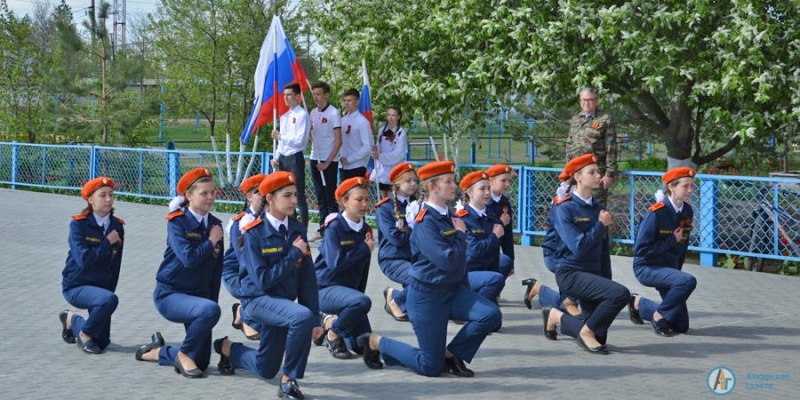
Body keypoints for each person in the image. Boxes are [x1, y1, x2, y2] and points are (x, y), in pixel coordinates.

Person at [358, 161, 503, 377]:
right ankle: (376, 342)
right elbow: (448, 261)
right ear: (433, 187)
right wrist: (461, 236)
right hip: (427, 297)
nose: (454, 186)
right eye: (448, 182)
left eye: (453, 181)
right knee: (430, 367)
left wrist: (466, 291)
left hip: (452, 291)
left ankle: (452, 355)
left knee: (490, 314)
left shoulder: (450, 216)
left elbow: (461, 264)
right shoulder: (425, 223)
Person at [215, 171, 322, 400]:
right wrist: (293, 253)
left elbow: (307, 278)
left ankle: (228, 349)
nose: (295, 200)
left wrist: (315, 316)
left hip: (282, 304)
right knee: (299, 317)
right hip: (256, 300)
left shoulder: (297, 228)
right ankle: (288, 382)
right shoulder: (254, 232)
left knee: (266, 368)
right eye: (287, 195)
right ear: (270, 198)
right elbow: (262, 280)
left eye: (295, 195)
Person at [134, 168, 226, 378]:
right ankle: (183, 353)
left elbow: (215, 270)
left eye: (213, 192)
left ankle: (154, 352)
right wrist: (211, 240)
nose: (211, 197)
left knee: (201, 362)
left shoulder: (215, 225)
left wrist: (211, 305)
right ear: (189, 195)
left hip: (200, 297)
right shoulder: (178, 222)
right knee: (208, 314)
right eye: (204, 193)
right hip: (171, 294)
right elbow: (189, 259)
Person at [540, 154, 629, 355]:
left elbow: (603, 251)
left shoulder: (598, 209)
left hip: (593, 273)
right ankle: (585, 332)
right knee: (621, 294)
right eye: (592, 172)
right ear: (578, 177)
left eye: (598, 171)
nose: (598, 175)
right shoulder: (565, 208)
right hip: (570, 272)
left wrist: (606, 280)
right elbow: (578, 247)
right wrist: (600, 226)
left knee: (601, 336)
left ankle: (556, 316)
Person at [627, 167, 698, 336]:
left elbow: (682, 246)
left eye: (692, 186)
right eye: (685, 186)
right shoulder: (655, 214)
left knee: (681, 326)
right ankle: (658, 315)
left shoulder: (687, 211)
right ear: (671, 187)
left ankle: (637, 303)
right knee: (688, 281)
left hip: (669, 268)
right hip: (647, 267)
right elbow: (641, 250)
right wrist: (671, 240)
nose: (690, 190)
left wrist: (676, 272)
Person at [60, 177, 125, 354]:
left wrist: (109, 292)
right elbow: (84, 260)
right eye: (102, 195)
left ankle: (71, 320)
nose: (109, 199)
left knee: (102, 341)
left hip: (101, 288)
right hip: (76, 285)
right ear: (91, 199)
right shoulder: (79, 224)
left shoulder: (116, 226)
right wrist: (106, 242)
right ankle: (84, 334)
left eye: (111, 195)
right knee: (108, 302)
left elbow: (115, 263)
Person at [314, 176, 375, 360]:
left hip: (348, 297)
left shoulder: (365, 229)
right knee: (363, 302)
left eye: (366, 199)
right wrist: (364, 248)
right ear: (344, 202)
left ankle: (330, 321)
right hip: (324, 289)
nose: (364, 204)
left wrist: (356, 298)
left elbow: (362, 272)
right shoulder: (334, 228)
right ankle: (333, 331)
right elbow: (336, 264)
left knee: (362, 345)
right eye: (358, 199)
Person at [521, 175, 582, 318]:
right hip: (556, 255)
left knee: (575, 297)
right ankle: (545, 296)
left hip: (572, 256)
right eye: (591, 173)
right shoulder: (564, 203)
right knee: (569, 302)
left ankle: (538, 289)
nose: (598, 177)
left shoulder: (584, 202)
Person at [222, 174, 266, 341]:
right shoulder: (240, 223)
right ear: (249, 197)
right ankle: (248, 319)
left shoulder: (271, 219)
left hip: (259, 271)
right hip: (236, 273)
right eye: (259, 193)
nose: (265, 197)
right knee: (258, 288)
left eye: (269, 192)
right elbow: (244, 260)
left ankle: (241, 311)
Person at [455, 171, 507, 302]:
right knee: (496, 279)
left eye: (488, 188)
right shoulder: (464, 219)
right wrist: (494, 236)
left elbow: (495, 252)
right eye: (482, 189)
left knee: (505, 262)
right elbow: (474, 251)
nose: (487, 192)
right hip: (467, 272)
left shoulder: (491, 215)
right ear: (470, 193)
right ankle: (468, 306)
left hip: (485, 268)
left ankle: (486, 300)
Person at [375, 162, 417, 321]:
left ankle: (398, 297)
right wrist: (415, 227)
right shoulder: (385, 208)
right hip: (393, 258)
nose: (413, 184)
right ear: (397, 184)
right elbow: (396, 239)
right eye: (408, 181)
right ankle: (396, 301)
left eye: (415, 180)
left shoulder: (418, 204)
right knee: (420, 279)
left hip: (414, 257)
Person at [565, 86, 618, 207]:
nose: (586, 103)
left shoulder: (604, 119)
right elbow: (569, 146)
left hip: (596, 175)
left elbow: (611, 148)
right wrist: (567, 172)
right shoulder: (575, 119)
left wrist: (609, 174)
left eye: (589, 100)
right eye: (583, 100)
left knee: (596, 210)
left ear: (596, 101)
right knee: (575, 210)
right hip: (576, 176)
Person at [271, 82, 311, 227]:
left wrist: (280, 136)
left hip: (295, 158)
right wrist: (276, 156)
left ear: (297, 97)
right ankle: (290, 226)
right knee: (285, 194)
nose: (286, 98)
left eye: (289, 95)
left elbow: (300, 141)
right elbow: (281, 143)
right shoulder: (284, 116)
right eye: (284, 95)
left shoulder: (302, 115)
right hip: (283, 158)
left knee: (298, 195)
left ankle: (303, 230)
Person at [309, 81, 343, 231]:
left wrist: (328, 162)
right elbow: (313, 138)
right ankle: (322, 226)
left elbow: (338, 141)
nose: (316, 97)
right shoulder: (312, 113)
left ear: (326, 95)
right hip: (314, 157)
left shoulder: (334, 113)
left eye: (319, 94)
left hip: (329, 160)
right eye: (314, 94)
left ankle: (334, 226)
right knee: (319, 195)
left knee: (330, 195)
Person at [485, 164, 516, 279]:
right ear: (491, 181)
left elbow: (507, 236)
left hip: (495, 251)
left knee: (503, 264)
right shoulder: (483, 201)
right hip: (482, 250)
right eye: (503, 180)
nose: (507, 184)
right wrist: (501, 223)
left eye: (509, 180)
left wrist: (510, 261)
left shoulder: (505, 203)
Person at [371, 106, 407, 199]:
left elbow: (399, 153)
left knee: (394, 197)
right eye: (388, 115)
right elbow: (379, 146)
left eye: (393, 115)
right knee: (383, 197)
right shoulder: (381, 130)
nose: (390, 117)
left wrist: (380, 156)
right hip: (382, 169)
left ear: (398, 117)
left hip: (394, 168)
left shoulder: (401, 132)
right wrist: (375, 150)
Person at [338, 89, 374, 181]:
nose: (346, 103)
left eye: (349, 100)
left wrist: (349, 159)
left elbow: (367, 147)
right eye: (345, 100)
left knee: (356, 194)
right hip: (343, 165)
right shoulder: (342, 120)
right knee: (345, 194)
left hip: (356, 166)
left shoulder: (362, 122)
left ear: (357, 102)